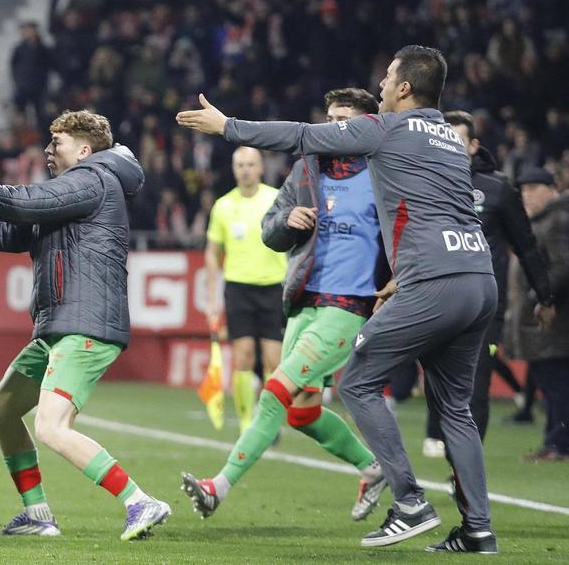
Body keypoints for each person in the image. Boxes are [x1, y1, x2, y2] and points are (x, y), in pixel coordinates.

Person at [178, 45, 517, 553]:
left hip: (430, 282)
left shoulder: (387, 128)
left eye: (387, 78)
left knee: (358, 379)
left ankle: (407, 500)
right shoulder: (450, 137)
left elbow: (298, 135)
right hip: (477, 277)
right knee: (455, 411)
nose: (380, 85)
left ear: (404, 88)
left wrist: (227, 126)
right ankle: (477, 530)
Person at [0, 110, 172, 542]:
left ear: (84, 149)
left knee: (51, 426)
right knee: (3, 408)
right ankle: (38, 514)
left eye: (56, 143)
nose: (48, 150)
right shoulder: (68, 192)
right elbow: (11, 235)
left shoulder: (93, 179)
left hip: (86, 324)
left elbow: (19, 203)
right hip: (58, 324)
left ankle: (139, 500)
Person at [182, 88, 388, 521]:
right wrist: (288, 224)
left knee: (275, 391)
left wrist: (400, 282)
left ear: (367, 124)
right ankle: (373, 468)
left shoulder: (382, 174)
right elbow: (271, 231)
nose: (332, 128)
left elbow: (404, 232)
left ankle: (217, 486)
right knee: (303, 412)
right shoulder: (307, 170)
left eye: (343, 120)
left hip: (348, 306)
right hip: (303, 302)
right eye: (328, 119)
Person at [422, 112, 553, 458]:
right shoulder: (423, 185)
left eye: (456, 141)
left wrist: (546, 297)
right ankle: (437, 432)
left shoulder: (497, 189)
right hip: (434, 300)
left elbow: (526, 246)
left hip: (483, 307)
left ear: (473, 145)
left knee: (475, 390)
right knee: (439, 382)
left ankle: (462, 472)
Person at [205, 147, 288, 433]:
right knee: (242, 357)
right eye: (240, 164)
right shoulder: (223, 206)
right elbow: (212, 253)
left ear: (261, 167)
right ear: (233, 168)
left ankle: (270, 424)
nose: (245, 169)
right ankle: (246, 425)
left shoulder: (276, 199)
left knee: (273, 360)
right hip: (238, 288)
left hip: (273, 286)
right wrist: (212, 298)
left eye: (251, 164)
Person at [509, 167, 569, 462]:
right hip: (544, 321)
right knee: (551, 383)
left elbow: (562, 267)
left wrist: (540, 297)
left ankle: (559, 444)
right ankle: (553, 441)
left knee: (556, 384)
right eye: (523, 189)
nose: (527, 194)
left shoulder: (557, 220)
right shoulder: (543, 220)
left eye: (534, 187)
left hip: (552, 321)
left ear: (552, 189)